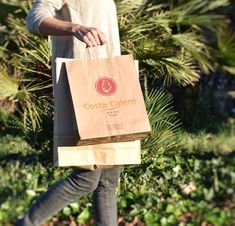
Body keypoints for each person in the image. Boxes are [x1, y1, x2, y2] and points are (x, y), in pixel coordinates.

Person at [15, 0, 121, 225]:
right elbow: (35, 18)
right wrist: (76, 28)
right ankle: (27, 222)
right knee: (86, 179)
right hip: (84, 88)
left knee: (108, 181)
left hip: (109, 86)